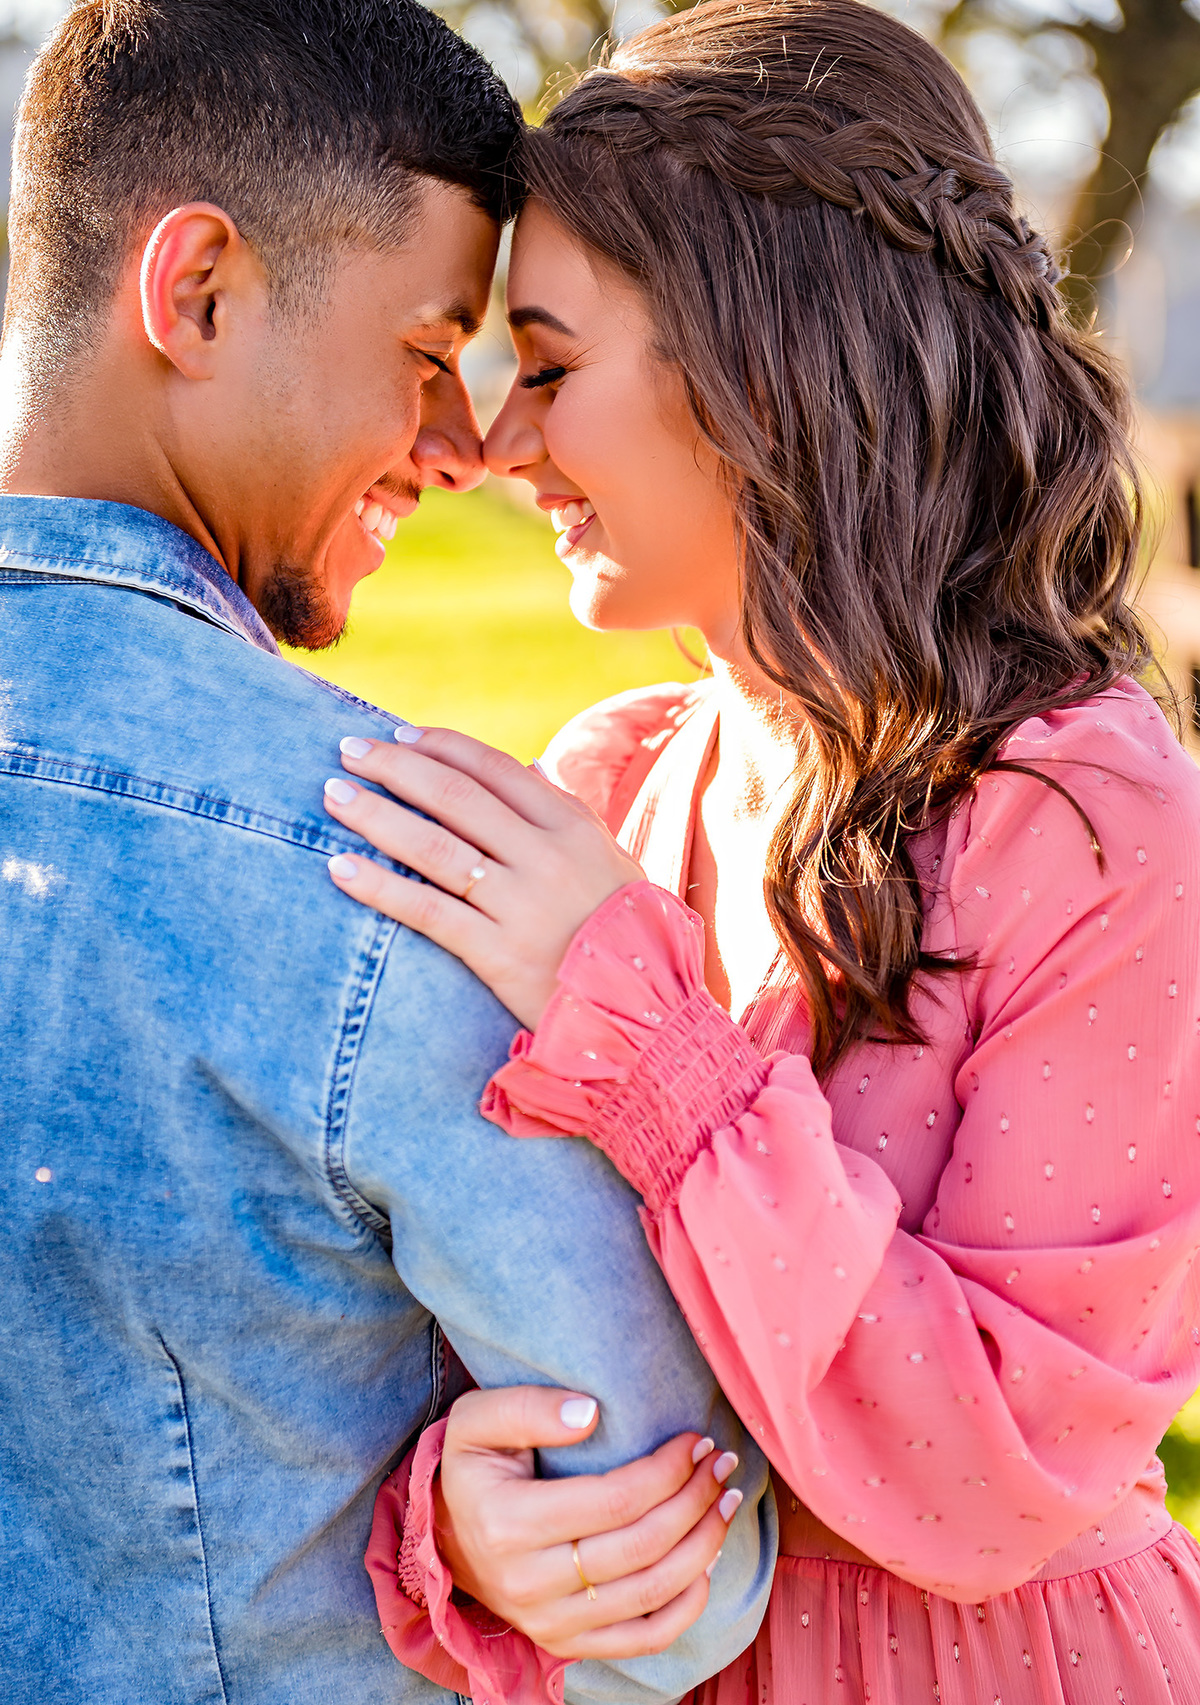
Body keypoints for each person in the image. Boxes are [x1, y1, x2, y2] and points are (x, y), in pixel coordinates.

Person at [322, 0, 1200, 1699]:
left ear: (764, 364)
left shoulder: (1089, 816)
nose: (500, 448)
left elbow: (1001, 1462)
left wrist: (646, 1034)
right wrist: (480, 1523)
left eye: (555, 366)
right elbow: (496, 1323)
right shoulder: (607, 793)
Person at [0, 5, 779, 1702]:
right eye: (430, 350)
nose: (458, 445)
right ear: (197, 290)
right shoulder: (391, 868)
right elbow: (689, 1576)